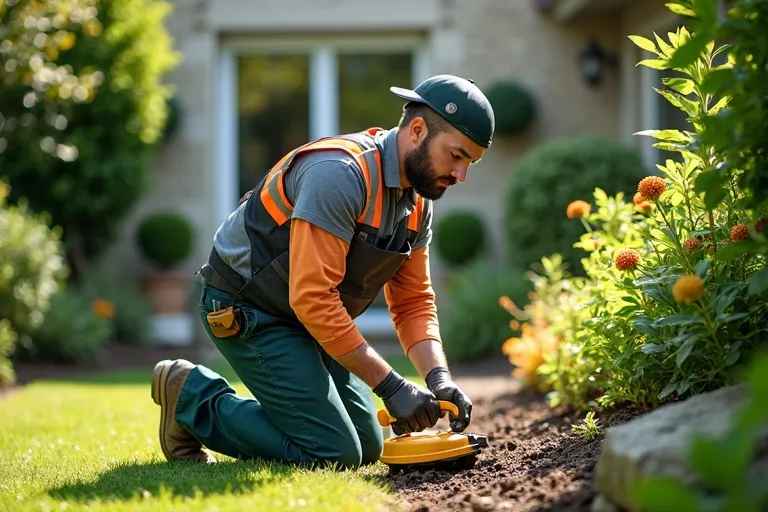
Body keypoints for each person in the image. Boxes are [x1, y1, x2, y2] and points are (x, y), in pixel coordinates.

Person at [150, 74, 496, 468]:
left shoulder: (417, 201)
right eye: (456, 155)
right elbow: (313, 299)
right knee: (335, 451)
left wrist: (439, 378)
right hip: (248, 307)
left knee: (369, 447)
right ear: (417, 130)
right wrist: (391, 385)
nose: (461, 175)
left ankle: (243, 411)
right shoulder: (339, 174)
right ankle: (191, 397)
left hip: (306, 317)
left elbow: (414, 302)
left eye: (470, 161)